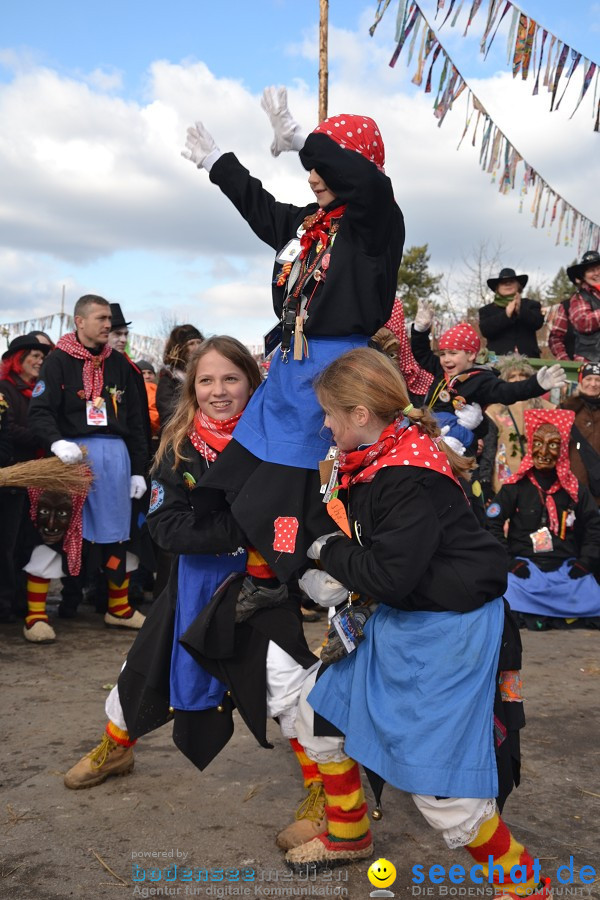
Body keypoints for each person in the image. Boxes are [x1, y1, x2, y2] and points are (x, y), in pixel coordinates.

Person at [286, 347, 548, 899]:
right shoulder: (384, 454)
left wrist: (327, 554)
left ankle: (523, 886)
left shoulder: (404, 475)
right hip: (406, 619)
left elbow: (389, 575)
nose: (325, 424)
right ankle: (350, 832)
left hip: (447, 633)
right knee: (319, 718)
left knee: (442, 789)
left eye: (330, 413)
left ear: (360, 414)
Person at [63, 337, 319, 838]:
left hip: (261, 586)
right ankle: (115, 748)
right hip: (193, 585)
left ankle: (325, 788)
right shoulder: (177, 448)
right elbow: (165, 527)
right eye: (206, 380)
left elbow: (296, 517)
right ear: (192, 388)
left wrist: (268, 543)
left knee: (290, 685)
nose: (218, 391)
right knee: (142, 669)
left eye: (230, 379)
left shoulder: (281, 444)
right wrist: (244, 530)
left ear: (252, 382)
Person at [181, 87, 404, 585]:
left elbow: (366, 185)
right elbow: (259, 207)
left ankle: (312, 570)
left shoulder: (376, 224)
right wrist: (218, 161)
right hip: (288, 367)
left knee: (308, 481)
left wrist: (303, 137)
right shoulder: (310, 226)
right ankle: (265, 573)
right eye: (310, 167)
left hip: (337, 372)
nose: (312, 177)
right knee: (258, 479)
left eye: (323, 169)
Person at [28, 294, 148, 631]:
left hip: (116, 460)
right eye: (101, 318)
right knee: (55, 530)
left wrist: (138, 469)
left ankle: (119, 608)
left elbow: (137, 423)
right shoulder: (57, 362)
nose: (108, 325)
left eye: (109, 319)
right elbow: (39, 412)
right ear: (79, 321)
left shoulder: (122, 365)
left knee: (117, 535)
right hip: (70, 459)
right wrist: (57, 442)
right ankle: (36, 614)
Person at [486, 409, 600, 630]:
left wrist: (585, 563)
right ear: (530, 446)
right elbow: (492, 524)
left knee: (593, 597)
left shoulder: (576, 490)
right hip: (525, 571)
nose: (544, 452)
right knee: (506, 594)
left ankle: (547, 612)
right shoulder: (514, 488)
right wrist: (510, 562)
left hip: (567, 570)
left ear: (563, 449)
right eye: (538, 443)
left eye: (553, 445)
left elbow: (595, 527)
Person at [410, 311, 565, 433]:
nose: (446, 359)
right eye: (442, 354)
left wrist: (537, 384)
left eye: (453, 353)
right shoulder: (441, 369)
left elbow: (508, 391)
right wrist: (420, 330)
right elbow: (421, 353)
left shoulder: (482, 380)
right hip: (430, 431)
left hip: (458, 443)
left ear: (471, 355)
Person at [0, 334, 51, 629]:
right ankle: (5, 605)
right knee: (7, 545)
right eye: (33, 355)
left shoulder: (39, 392)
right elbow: (12, 430)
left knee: (26, 543)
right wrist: (43, 436)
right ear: (16, 359)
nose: (39, 360)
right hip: (11, 476)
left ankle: (21, 602)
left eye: (42, 357)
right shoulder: (5, 390)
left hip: (32, 480)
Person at [478, 357, 555, 499]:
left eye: (523, 375)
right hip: (505, 479)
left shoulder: (547, 409)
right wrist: (485, 480)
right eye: (512, 376)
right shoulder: (494, 410)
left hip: (539, 480)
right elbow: (489, 449)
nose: (518, 379)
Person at [478, 267, 544, 357]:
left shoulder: (531, 305)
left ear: (518, 285)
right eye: (503, 282)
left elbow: (537, 323)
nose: (508, 284)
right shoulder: (486, 310)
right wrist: (506, 315)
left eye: (512, 281)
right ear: (497, 287)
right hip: (497, 361)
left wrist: (520, 310)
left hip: (529, 359)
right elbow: (486, 330)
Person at [560, 362, 600, 507]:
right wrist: (575, 399)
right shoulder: (568, 409)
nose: (593, 384)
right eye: (588, 379)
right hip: (573, 487)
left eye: (598, 380)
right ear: (580, 381)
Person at [156, 324, 204, 430]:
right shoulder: (169, 378)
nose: (197, 347)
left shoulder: (207, 374)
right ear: (180, 348)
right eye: (191, 344)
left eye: (199, 342)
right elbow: (168, 416)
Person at [565, 250, 600, 361]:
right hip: (590, 361)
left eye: (599, 268)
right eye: (591, 270)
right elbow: (583, 322)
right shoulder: (579, 297)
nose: (596, 273)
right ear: (583, 276)